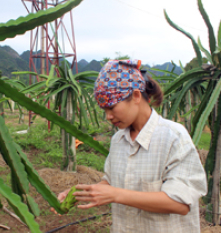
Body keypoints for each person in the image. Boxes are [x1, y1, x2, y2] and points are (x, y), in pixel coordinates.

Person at [58, 59, 207, 233]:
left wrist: (117, 194)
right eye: (104, 110)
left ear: (136, 96)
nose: (108, 116)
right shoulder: (118, 140)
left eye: (112, 107)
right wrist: (79, 193)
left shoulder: (173, 137)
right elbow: (111, 182)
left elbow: (180, 203)